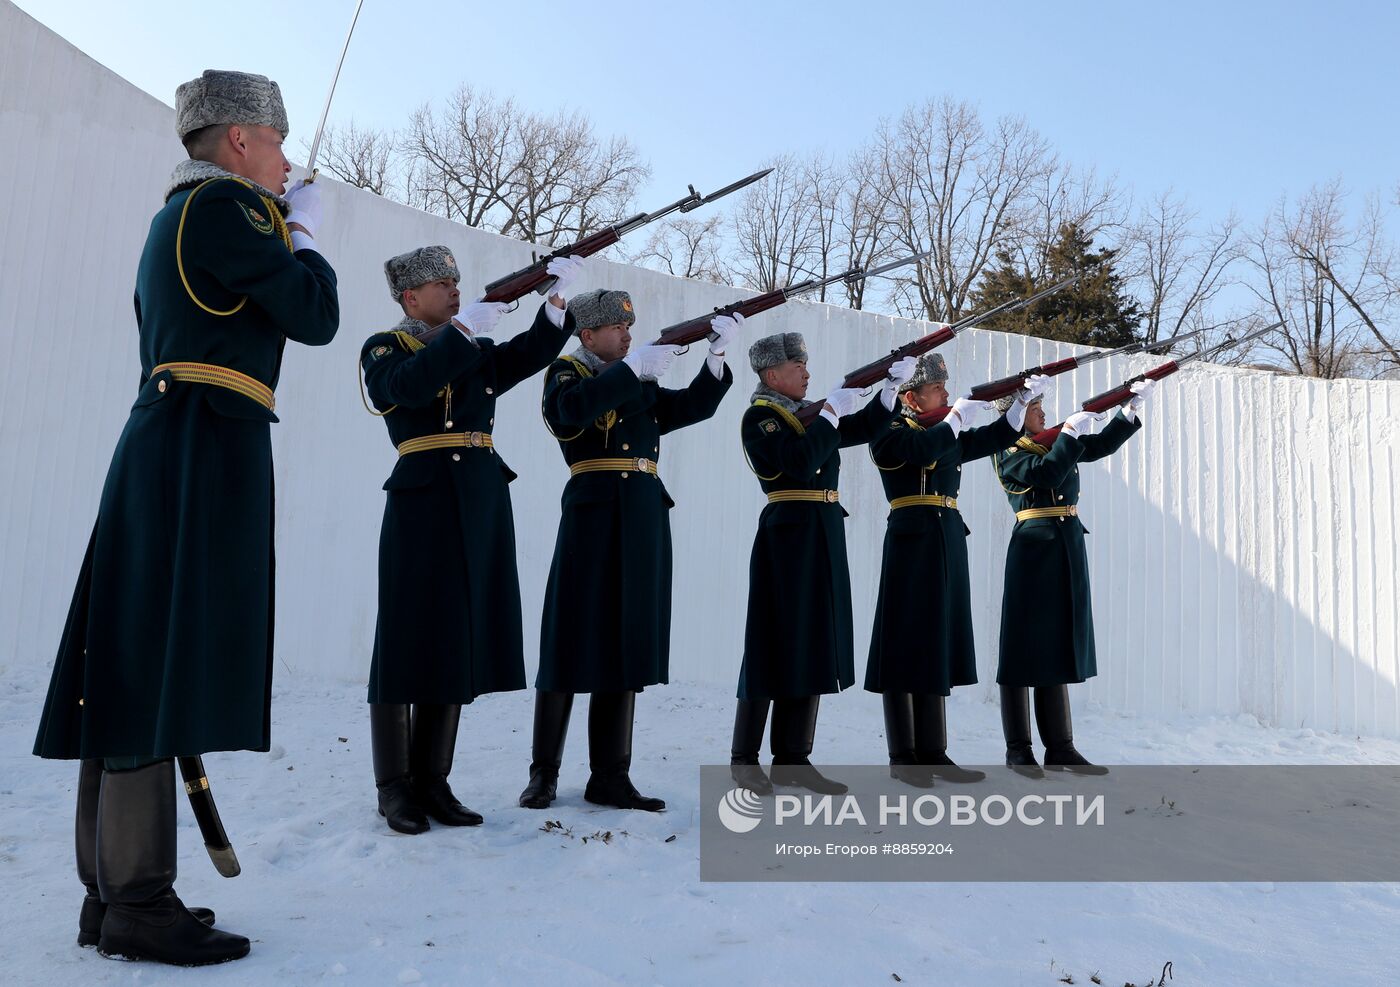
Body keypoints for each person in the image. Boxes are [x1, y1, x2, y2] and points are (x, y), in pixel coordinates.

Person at [32, 69, 339, 965]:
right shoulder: (226, 211)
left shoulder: (175, 219)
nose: (286, 165)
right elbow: (313, 314)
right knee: (149, 666)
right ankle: (135, 898)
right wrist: (305, 236)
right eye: (277, 147)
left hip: (178, 441)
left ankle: (112, 893)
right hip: (200, 448)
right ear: (239, 140)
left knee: (135, 661)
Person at [361, 245, 585, 833]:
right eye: (441, 283)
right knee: (406, 637)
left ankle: (433, 781)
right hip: (424, 497)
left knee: (455, 634)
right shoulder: (387, 347)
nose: (456, 289)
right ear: (410, 297)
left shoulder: (473, 345)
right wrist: (463, 333)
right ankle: (395, 788)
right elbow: (405, 390)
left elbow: (528, 355)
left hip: (480, 497)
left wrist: (554, 301)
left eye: (458, 281)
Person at [521, 290, 736, 812]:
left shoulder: (637, 377)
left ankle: (611, 775)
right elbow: (572, 414)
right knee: (569, 639)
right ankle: (543, 773)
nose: (627, 335)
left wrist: (716, 358)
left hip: (641, 514)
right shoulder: (568, 374)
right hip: (594, 511)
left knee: (626, 639)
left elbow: (689, 409)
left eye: (630, 329)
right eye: (616, 329)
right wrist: (634, 369)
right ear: (588, 334)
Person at [729, 333, 915, 795]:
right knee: (771, 643)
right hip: (787, 533)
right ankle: (744, 757)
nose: (808, 374)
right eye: (798, 367)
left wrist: (888, 389)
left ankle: (794, 758)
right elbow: (797, 462)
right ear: (773, 375)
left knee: (813, 641)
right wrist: (830, 412)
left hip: (821, 530)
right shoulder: (763, 418)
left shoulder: (808, 416)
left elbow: (861, 430)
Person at [865, 354, 1050, 785]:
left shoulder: (942, 431)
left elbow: (984, 441)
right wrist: (954, 419)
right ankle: (902, 755)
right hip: (912, 540)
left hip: (945, 537)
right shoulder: (889, 429)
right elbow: (921, 452)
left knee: (935, 643)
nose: (947, 396)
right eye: (938, 390)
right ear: (911, 397)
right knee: (904, 643)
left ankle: (934, 751)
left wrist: (1018, 406)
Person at [992, 380, 1155, 775]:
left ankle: (1060, 746)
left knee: (1056, 643)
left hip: (1066, 545)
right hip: (1034, 549)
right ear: (1014, 413)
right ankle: (1018, 748)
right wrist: (1068, 432)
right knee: (1022, 648)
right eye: (1035, 408)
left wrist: (1126, 412)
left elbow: (1095, 448)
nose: (1043, 414)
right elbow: (1046, 475)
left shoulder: (1052, 441)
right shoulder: (1008, 450)